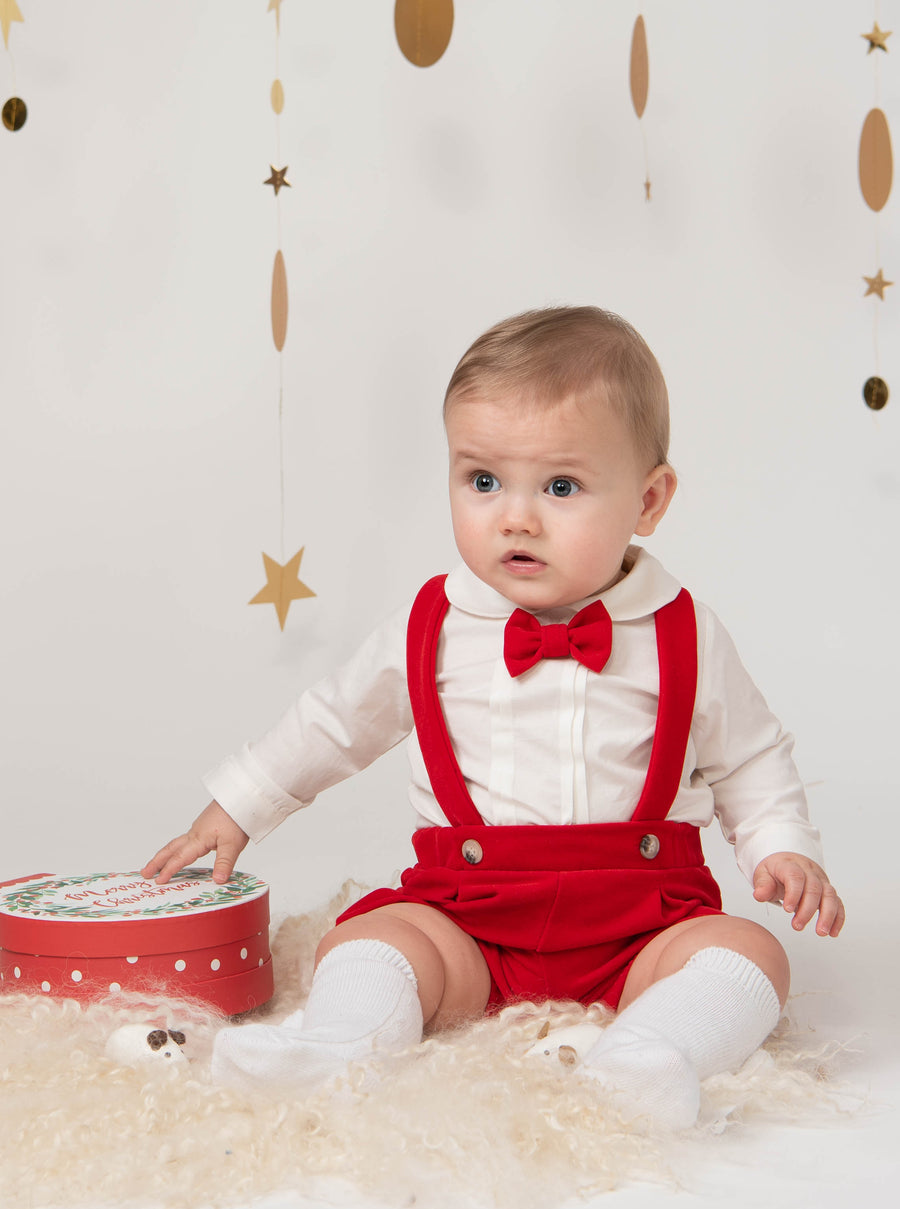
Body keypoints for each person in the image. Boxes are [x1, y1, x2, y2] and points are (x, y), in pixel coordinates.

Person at [142, 306, 844, 1128]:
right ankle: (336, 1045)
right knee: (378, 940)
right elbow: (335, 722)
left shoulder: (683, 629)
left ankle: (651, 1056)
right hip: (469, 916)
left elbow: (751, 756)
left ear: (649, 500)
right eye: (482, 481)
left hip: (643, 924)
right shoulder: (430, 623)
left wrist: (783, 847)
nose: (515, 517)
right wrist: (241, 803)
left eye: (561, 487)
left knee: (749, 956)